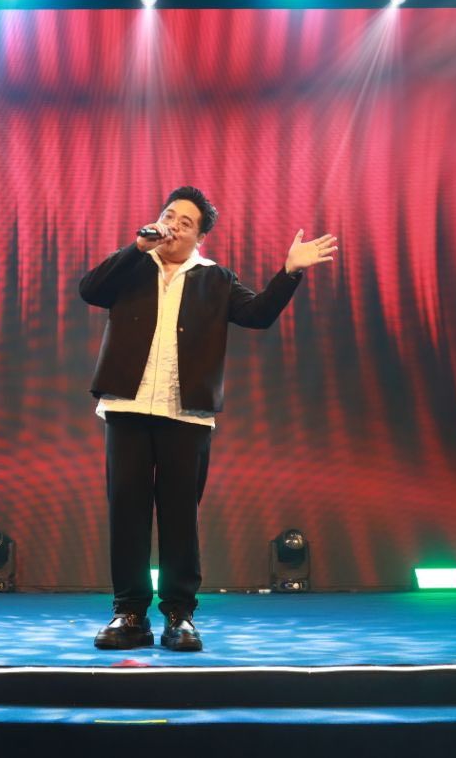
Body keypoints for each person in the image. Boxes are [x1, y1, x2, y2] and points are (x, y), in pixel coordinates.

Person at [78, 185, 337, 652]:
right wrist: (137, 247)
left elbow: (258, 314)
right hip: (127, 407)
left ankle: (180, 615)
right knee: (127, 513)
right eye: (169, 216)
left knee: (180, 517)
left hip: (187, 413)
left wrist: (290, 272)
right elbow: (90, 290)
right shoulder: (133, 265)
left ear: (200, 237)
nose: (173, 226)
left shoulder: (216, 278)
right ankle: (129, 613)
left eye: (185, 223)